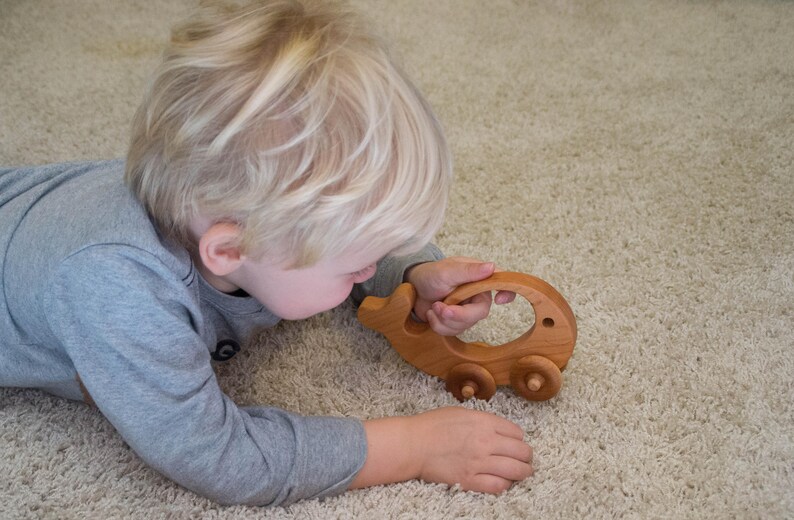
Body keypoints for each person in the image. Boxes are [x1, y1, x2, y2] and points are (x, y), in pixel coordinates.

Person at [0, 0, 533, 506]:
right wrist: (412, 446)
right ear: (230, 250)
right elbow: (219, 459)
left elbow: (355, 243)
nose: (372, 270)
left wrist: (411, 275)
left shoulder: (211, 203)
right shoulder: (120, 289)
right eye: (356, 266)